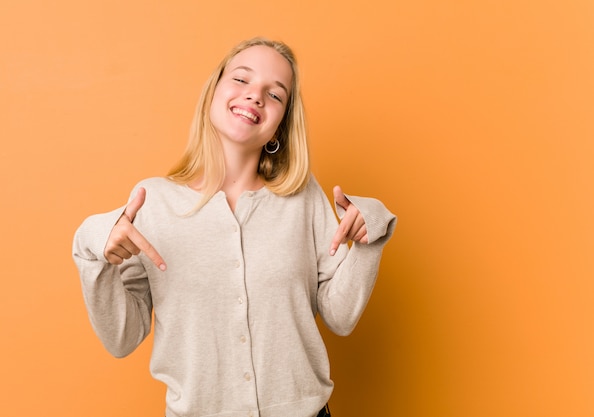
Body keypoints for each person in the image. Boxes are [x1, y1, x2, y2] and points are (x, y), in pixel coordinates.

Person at [72, 37, 397, 417]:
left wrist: (371, 235)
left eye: (275, 95)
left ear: (279, 126)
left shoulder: (303, 197)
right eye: (241, 80)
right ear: (214, 92)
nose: (255, 96)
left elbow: (340, 317)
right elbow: (121, 339)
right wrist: (93, 245)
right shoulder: (152, 203)